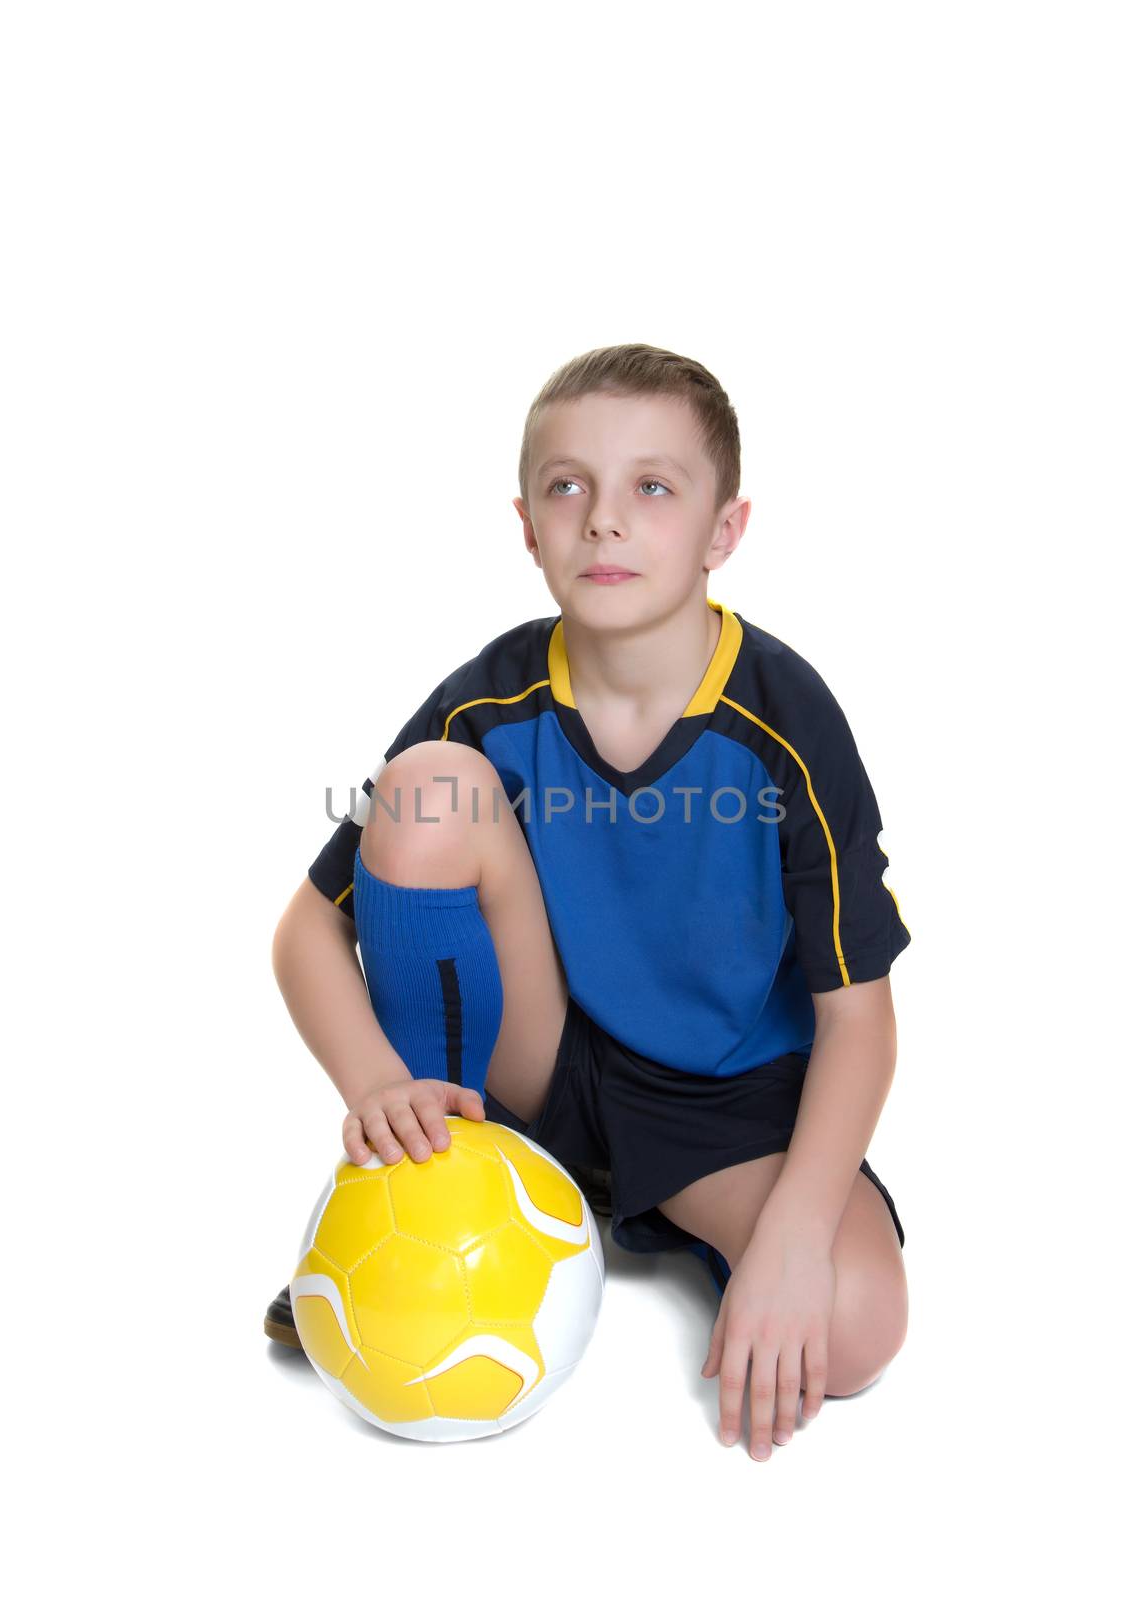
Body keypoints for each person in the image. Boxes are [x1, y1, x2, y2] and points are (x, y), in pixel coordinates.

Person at [266, 343, 912, 1462]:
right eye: (570, 487)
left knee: (856, 1330)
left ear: (724, 530)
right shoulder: (494, 697)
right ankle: (431, 1185)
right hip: (541, 1064)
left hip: (725, 1110)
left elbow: (860, 1017)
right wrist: (377, 1089)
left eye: (652, 487)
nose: (604, 521)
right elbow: (306, 930)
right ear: (528, 526)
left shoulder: (784, 722)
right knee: (427, 791)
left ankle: (674, 1220)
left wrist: (799, 1230)